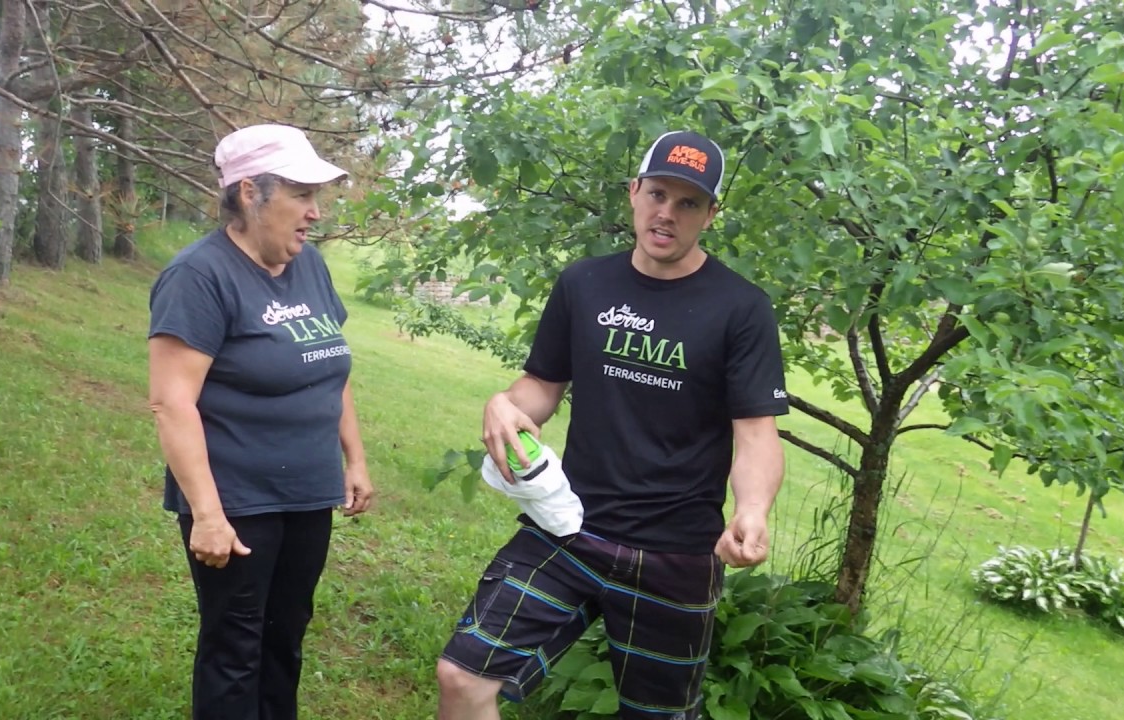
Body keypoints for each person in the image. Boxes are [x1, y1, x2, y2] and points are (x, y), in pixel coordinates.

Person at [435, 130, 789, 720]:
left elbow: (756, 434)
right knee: (463, 676)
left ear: (710, 214)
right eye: (657, 194)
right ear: (633, 193)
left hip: (677, 556)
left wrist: (752, 509)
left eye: (688, 203)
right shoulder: (585, 283)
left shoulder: (741, 308)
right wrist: (504, 403)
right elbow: (542, 386)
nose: (666, 214)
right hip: (569, 527)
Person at [147, 124, 374, 720]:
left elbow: (331, 363)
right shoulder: (199, 276)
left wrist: (354, 458)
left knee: (286, 633)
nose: (314, 213)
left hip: (306, 489)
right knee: (235, 644)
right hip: (238, 497)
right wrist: (208, 515)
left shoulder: (310, 266)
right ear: (251, 192)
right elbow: (173, 403)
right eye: (301, 195)